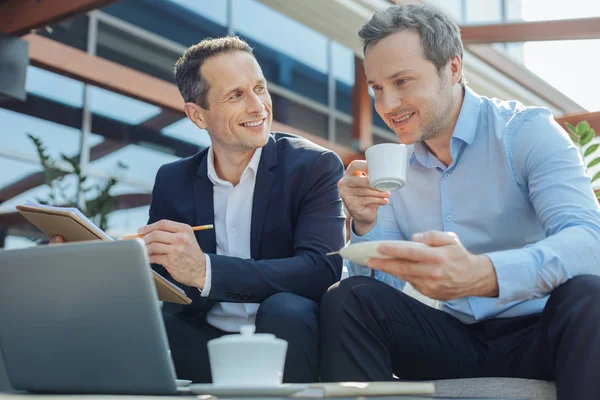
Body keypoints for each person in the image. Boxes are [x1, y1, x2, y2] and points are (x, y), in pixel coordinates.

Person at [320, 4, 600, 399]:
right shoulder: (393, 168)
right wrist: (365, 224)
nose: (387, 105)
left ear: (452, 68)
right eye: (377, 88)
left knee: (590, 296)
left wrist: (485, 274)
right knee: (349, 299)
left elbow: (590, 241)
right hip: (456, 341)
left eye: (402, 81)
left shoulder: (526, 133)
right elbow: (379, 287)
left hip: (543, 333)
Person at [54, 36, 345, 383]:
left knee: (285, 308)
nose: (259, 107)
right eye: (236, 95)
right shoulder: (172, 179)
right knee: (146, 323)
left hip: (287, 338)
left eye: (259, 88)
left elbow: (320, 269)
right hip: (204, 342)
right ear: (197, 115)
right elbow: (161, 277)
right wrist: (97, 265)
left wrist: (206, 271)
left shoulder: (314, 165)